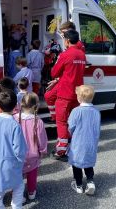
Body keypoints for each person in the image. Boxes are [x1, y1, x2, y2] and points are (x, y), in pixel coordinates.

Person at [46, 30, 86, 160]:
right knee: (73, 122)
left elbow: (54, 73)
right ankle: (72, 146)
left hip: (64, 94)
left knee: (62, 122)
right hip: (77, 94)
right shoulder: (82, 54)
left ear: (67, 41)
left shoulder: (65, 54)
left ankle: (61, 150)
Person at [0, 90, 27, 209]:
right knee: (18, 186)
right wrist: (21, 160)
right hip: (11, 162)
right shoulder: (15, 125)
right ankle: (16, 206)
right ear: (15, 106)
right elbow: (19, 149)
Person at [45, 21, 85, 122]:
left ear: (71, 31)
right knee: (48, 95)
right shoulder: (72, 45)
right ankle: (55, 117)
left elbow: (71, 66)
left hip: (68, 81)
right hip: (65, 78)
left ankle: (59, 118)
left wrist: (57, 78)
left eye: (63, 33)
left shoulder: (78, 45)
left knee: (54, 99)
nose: (62, 35)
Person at [14, 93, 48, 201]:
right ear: (35, 106)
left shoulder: (14, 118)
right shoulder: (38, 121)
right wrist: (42, 150)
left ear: (21, 104)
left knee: (17, 175)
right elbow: (42, 139)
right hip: (33, 154)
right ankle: (31, 192)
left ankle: (18, 194)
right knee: (32, 174)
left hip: (17, 154)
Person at [68, 85, 100, 195]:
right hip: (91, 142)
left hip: (78, 142)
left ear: (79, 98)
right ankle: (90, 181)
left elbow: (71, 127)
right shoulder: (96, 111)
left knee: (76, 164)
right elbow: (97, 128)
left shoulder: (76, 111)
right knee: (88, 163)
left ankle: (79, 185)